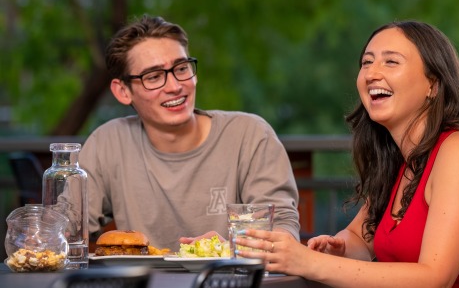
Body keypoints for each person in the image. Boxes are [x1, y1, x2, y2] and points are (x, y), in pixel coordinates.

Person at [235, 20, 459, 287]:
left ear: (433, 84)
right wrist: (340, 248)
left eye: (391, 62)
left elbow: (434, 279)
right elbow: (360, 236)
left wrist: (310, 262)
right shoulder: (400, 161)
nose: (371, 73)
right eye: (366, 62)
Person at [79, 15, 300, 251]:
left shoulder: (250, 135)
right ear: (123, 91)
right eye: (153, 77)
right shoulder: (107, 144)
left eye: (181, 68)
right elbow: (64, 228)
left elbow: (282, 229)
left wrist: (230, 249)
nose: (175, 86)